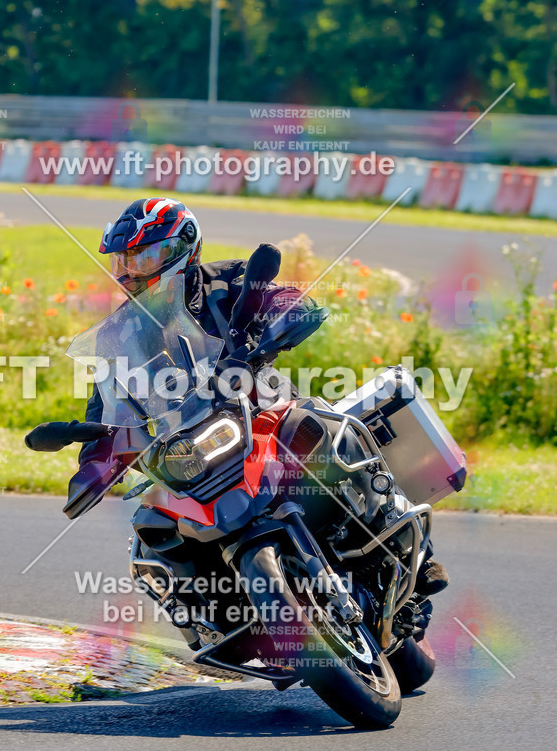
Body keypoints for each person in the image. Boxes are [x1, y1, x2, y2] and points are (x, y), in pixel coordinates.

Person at [26, 195, 448, 621]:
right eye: (123, 260)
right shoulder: (119, 334)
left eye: (142, 257)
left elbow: (281, 299)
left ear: (181, 248)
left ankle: (402, 535)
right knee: (151, 529)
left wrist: (283, 316)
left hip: (263, 410)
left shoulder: (226, 280)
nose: (128, 271)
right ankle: (212, 623)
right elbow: (105, 404)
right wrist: (94, 462)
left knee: (320, 426)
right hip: (192, 445)